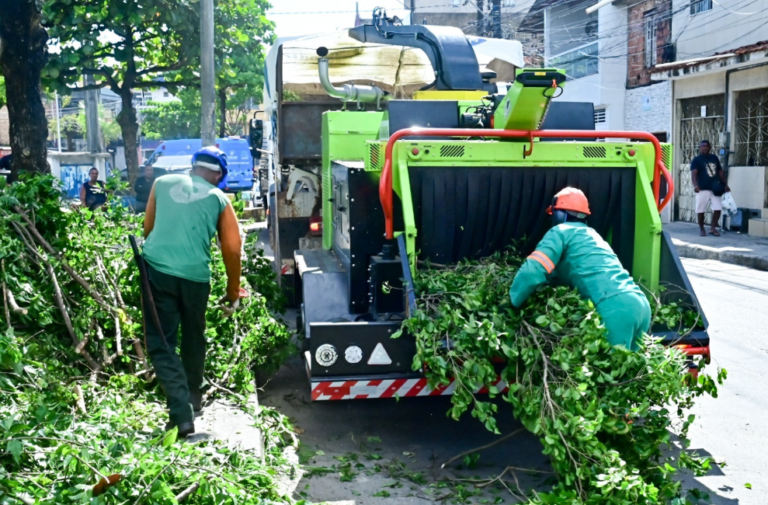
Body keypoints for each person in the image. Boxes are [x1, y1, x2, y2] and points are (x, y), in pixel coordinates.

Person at [141, 146, 242, 437]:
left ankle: (181, 412)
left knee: (161, 342)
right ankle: (192, 397)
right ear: (218, 174)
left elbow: (148, 228)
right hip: (197, 278)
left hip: (157, 272)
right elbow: (233, 249)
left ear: (193, 166)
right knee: (194, 334)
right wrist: (233, 289)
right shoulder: (219, 198)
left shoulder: (161, 183)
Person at [509, 187, 651, 351]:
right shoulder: (592, 235)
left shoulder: (560, 232)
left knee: (608, 372)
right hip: (640, 305)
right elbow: (570, 270)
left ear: (558, 214)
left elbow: (532, 271)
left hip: (615, 309)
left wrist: (511, 302)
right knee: (634, 372)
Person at [691, 140, 730, 237]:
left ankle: (712, 228)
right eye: (702, 146)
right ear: (700, 148)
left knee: (718, 208)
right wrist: (695, 185)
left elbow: (720, 171)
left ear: (710, 147)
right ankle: (701, 229)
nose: (705, 148)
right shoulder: (697, 160)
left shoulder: (714, 158)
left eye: (707, 146)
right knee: (701, 210)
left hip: (715, 188)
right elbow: (694, 174)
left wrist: (725, 184)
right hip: (702, 188)